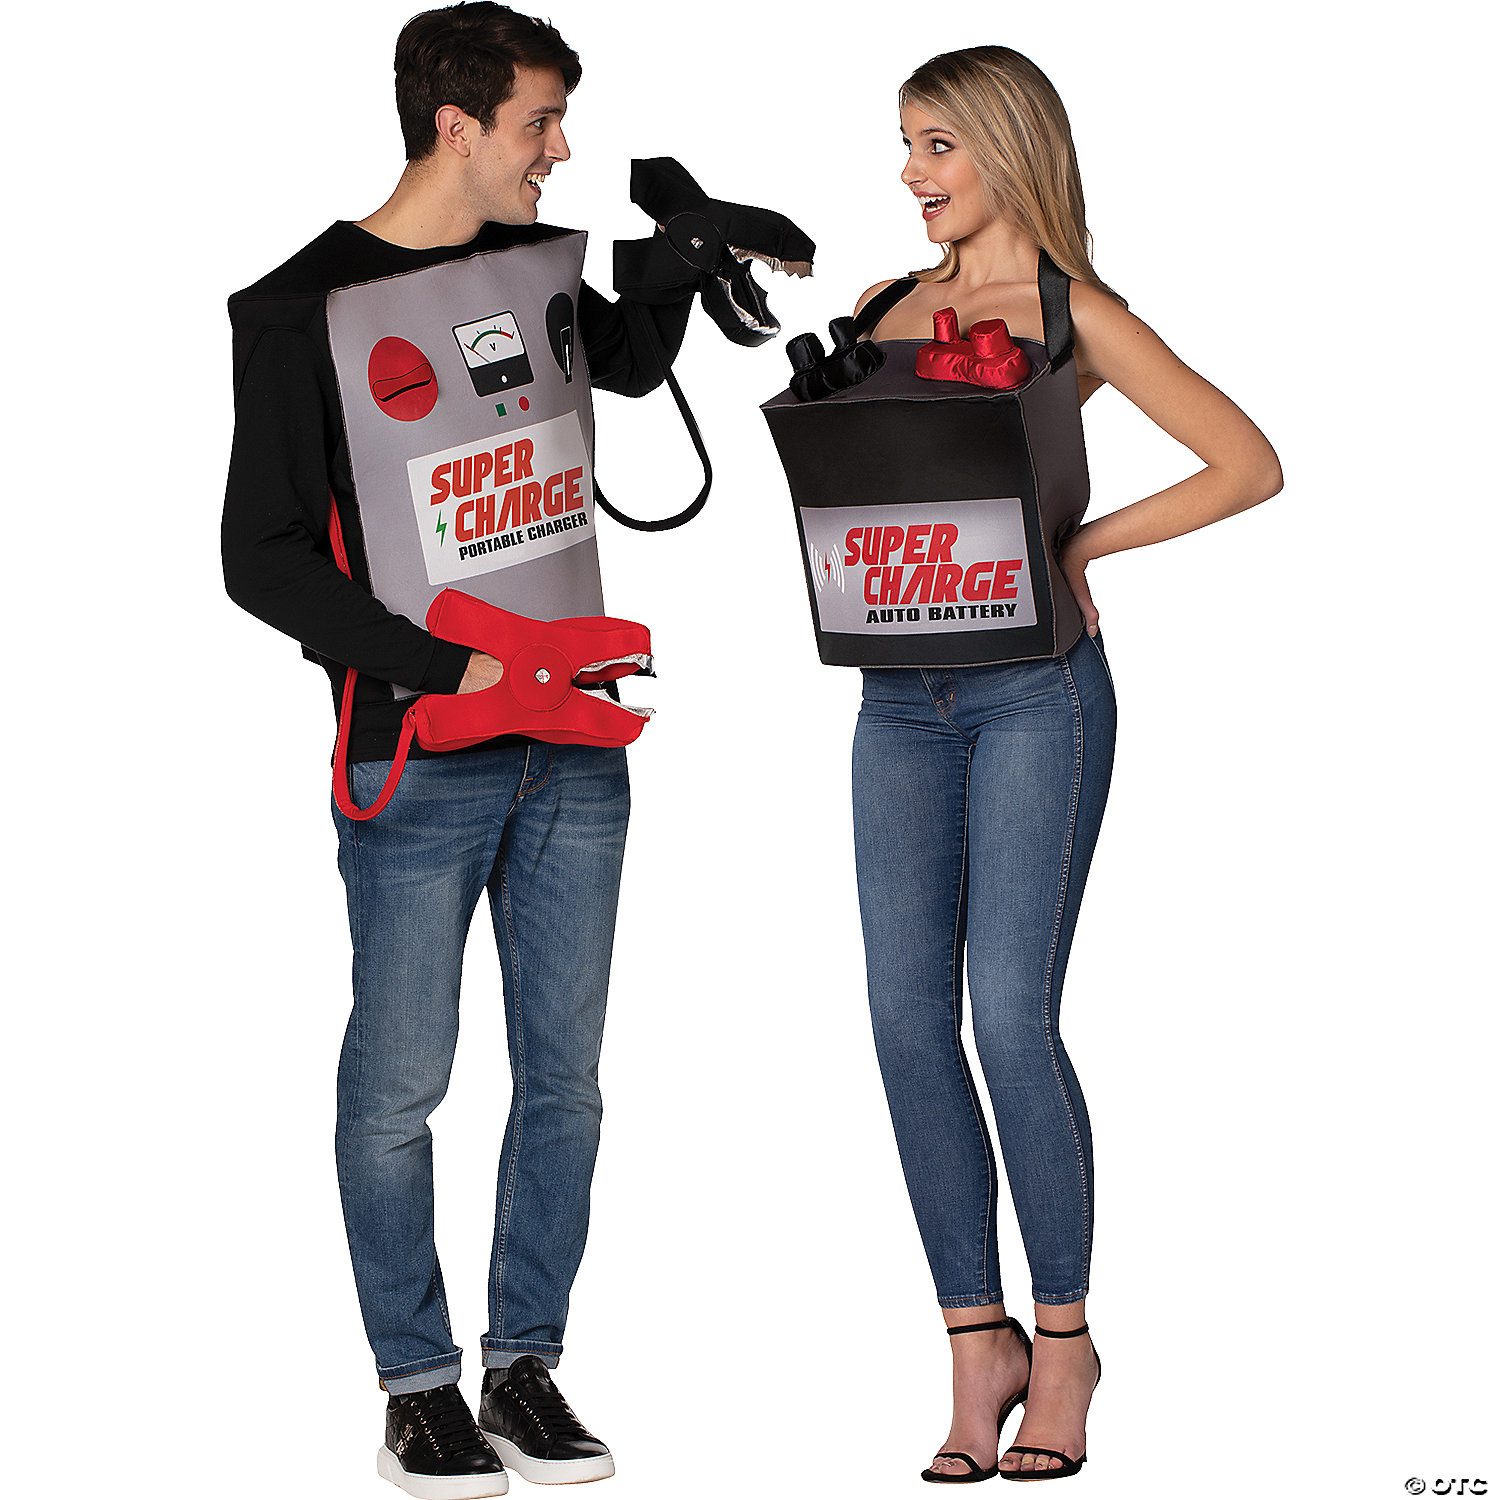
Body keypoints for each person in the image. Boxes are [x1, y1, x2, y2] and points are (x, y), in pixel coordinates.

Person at [222, 6, 701, 1494]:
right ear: (457, 125)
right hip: (420, 751)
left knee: (567, 1084)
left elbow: (620, 364)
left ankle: (524, 1369)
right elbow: (260, 557)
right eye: (540, 122)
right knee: (400, 1088)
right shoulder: (301, 308)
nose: (560, 150)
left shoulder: (531, 267)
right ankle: (417, 1386)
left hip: (575, 740)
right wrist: (449, 665)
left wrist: (681, 258)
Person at [841, 47, 1282, 1481]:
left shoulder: (1074, 314)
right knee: (906, 1021)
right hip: (896, 696)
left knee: (1011, 1019)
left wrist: (1084, 545)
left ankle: (1068, 1337)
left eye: (937, 145)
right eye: (906, 144)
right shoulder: (878, 311)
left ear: (1009, 147)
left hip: (1039, 694)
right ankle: (975, 1343)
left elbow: (1247, 462)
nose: (911, 173)